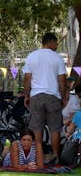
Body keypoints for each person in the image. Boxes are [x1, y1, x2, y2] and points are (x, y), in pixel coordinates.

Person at [23, 32, 67, 162]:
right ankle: (55, 155)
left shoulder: (31, 56)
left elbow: (27, 79)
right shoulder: (57, 58)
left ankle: (39, 154)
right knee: (55, 127)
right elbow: (62, 81)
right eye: (56, 42)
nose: (57, 45)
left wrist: (26, 95)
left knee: (37, 127)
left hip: (36, 95)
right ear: (50, 42)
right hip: (53, 95)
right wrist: (63, 97)